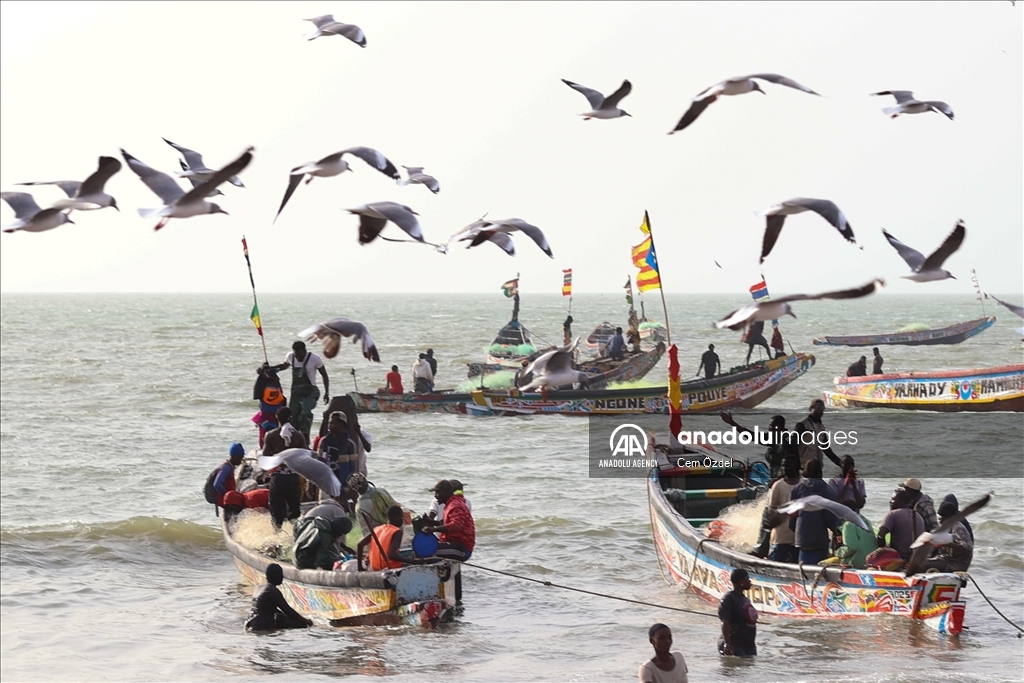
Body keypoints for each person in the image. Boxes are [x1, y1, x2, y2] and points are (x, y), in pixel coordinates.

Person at [271, 341, 329, 440]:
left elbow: (324, 375)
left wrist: (327, 393)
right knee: (292, 417)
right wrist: (271, 368)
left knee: (305, 413)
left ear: (304, 351)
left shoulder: (314, 359)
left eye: (300, 355)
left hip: (311, 392)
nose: (298, 357)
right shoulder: (290, 357)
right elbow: (284, 366)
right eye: (296, 355)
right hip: (296, 393)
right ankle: (294, 439)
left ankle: (305, 438)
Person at [263, 407, 307, 529]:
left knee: (276, 509)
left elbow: (266, 458)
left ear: (277, 418)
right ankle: (295, 535)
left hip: (278, 478)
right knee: (294, 509)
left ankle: (277, 535)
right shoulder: (298, 436)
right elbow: (305, 456)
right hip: (293, 478)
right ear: (290, 418)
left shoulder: (270, 435)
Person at [720, 412, 797, 480]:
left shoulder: (788, 442)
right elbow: (751, 435)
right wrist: (732, 422)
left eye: (771, 426)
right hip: (776, 477)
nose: (769, 428)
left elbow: (791, 466)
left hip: (787, 480)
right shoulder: (773, 437)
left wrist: (775, 482)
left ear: (778, 427)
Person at [788, 459, 838, 565]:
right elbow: (831, 518)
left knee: (803, 570)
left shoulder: (798, 489)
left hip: (802, 539)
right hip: (820, 540)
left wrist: (797, 530)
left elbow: (792, 519)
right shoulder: (827, 490)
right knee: (820, 570)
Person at [357, 505, 430, 571]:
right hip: (389, 568)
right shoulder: (397, 531)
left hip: (374, 567)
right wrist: (413, 561)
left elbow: (360, 545)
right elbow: (392, 555)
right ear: (396, 518)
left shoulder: (376, 529)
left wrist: (360, 567)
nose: (403, 520)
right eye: (402, 517)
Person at [244, 563, 313, 631]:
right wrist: (306, 621)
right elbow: (288, 610)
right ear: (275, 575)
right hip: (263, 627)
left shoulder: (259, 588)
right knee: (302, 625)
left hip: (250, 625)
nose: (282, 577)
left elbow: (267, 610)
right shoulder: (272, 590)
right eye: (280, 574)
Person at [422, 479, 475, 562]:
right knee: (425, 548)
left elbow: (456, 525)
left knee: (427, 551)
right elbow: (445, 524)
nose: (435, 496)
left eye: (437, 492)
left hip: (462, 548)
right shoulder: (450, 505)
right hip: (453, 544)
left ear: (446, 492)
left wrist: (434, 529)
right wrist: (430, 521)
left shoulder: (455, 506)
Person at [766, 455, 803, 563]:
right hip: (780, 536)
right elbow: (771, 510)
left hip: (797, 536)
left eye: (787, 466)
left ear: (796, 466)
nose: (784, 469)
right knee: (776, 564)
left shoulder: (803, 484)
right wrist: (784, 513)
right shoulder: (778, 485)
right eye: (783, 466)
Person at [923, 497, 974, 572]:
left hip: (956, 563)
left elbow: (967, 547)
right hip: (945, 558)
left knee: (923, 565)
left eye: (942, 517)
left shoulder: (958, 528)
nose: (940, 520)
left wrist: (946, 543)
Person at [317, 411, 359, 498]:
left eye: (332, 423)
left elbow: (353, 468)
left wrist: (352, 488)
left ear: (341, 424)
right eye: (329, 423)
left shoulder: (349, 444)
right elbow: (317, 462)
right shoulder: (324, 441)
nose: (329, 425)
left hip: (342, 485)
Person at [718, 568, 757, 657]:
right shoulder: (729, 598)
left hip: (748, 645)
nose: (750, 581)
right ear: (741, 581)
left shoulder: (745, 599)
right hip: (734, 644)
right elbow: (725, 622)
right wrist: (727, 644)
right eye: (747, 578)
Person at [794, 399, 843, 469]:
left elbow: (826, 448)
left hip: (817, 466)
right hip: (803, 465)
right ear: (811, 409)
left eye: (821, 412)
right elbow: (793, 444)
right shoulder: (802, 424)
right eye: (816, 411)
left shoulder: (821, 427)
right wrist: (795, 464)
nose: (819, 414)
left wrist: (840, 463)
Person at [877, 489, 925, 561]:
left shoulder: (893, 514)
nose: (890, 502)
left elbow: (880, 536)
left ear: (901, 501)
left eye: (893, 499)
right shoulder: (918, 516)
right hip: (916, 559)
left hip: (899, 559)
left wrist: (884, 552)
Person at [252, 365, 285, 447]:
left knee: (265, 436)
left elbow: (257, 395)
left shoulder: (261, 383)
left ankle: (265, 448)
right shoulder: (275, 382)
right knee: (275, 435)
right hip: (273, 415)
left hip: (267, 415)